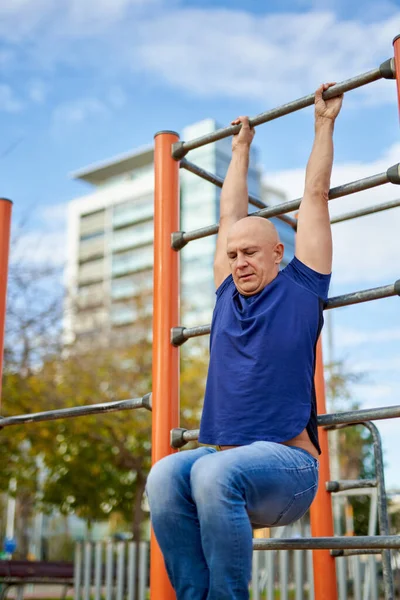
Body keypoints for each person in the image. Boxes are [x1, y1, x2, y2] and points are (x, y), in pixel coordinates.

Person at [146, 83, 344, 600]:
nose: (239, 263)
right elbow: (229, 218)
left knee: (212, 472)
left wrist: (323, 124)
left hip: (289, 470)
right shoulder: (224, 295)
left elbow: (316, 196)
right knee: (166, 475)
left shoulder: (302, 289)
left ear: (279, 252)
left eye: (251, 254)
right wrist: (239, 150)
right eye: (233, 256)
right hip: (222, 461)